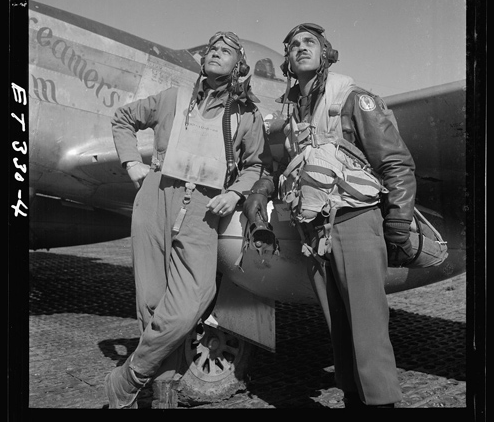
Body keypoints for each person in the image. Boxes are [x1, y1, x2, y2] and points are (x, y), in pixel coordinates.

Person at [243, 23, 417, 408]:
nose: (301, 49)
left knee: (368, 328)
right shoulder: (287, 113)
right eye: (293, 46)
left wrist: (399, 222)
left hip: (355, 221)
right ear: (286, 60)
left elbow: (396, 163)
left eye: (310, 43)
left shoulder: (354, 100)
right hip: (312, 230)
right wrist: (259, 191)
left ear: (326, 54)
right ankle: (355, 400)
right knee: (338, 329)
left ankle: (382, 404)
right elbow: (278, 168)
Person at [106, 31, 272, 409]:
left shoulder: (247, 115)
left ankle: (129, 376)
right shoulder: (172, 98)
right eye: (212, 49)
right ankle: (163, 396)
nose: (215, 53)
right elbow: (123, 118)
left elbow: (255, 165)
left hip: (205, 208)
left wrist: (234, 193)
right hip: (155, 198)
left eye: (225, 51)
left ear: (239, 67)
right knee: (151, 303)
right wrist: (133, 164)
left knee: (193, 300)